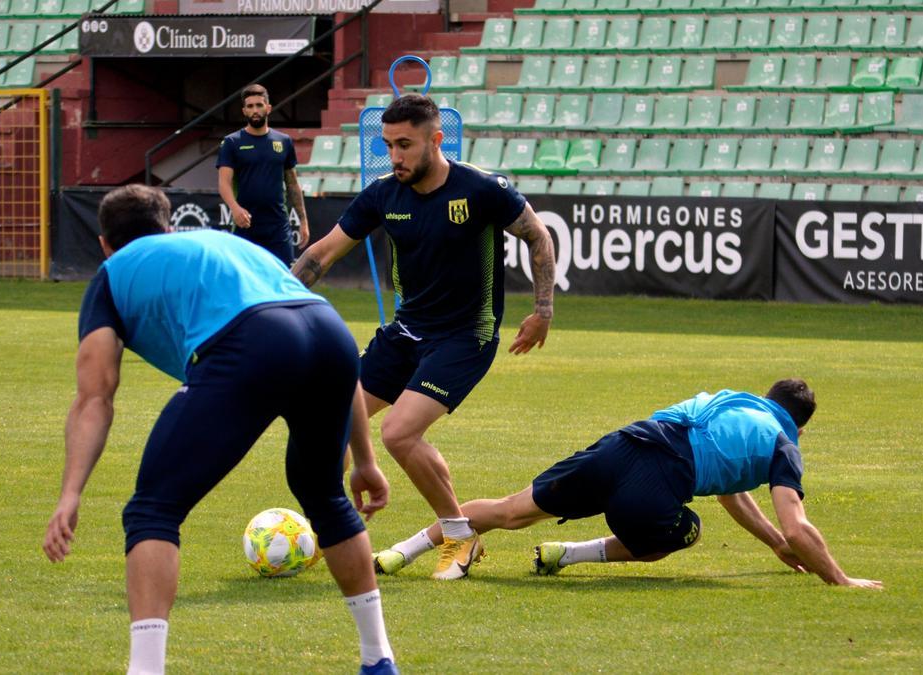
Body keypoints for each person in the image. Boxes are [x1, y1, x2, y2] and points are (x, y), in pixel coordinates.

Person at [42, 185, 400, 675]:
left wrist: (70, 493)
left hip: (252, 342)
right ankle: (378, 659)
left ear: (105, 243)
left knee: (153, 509)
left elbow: (94, 397)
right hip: (329, 331)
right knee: (322, 493)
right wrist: (364, 460)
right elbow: (317, 338)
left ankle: (145, 671)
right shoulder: (231, 246)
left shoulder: (110, 276)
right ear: (168, 228)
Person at [291, 94, 558, 580]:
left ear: (436, 140)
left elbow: (538, 235)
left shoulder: (480, 189)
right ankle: (331, 530)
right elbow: (322, 255)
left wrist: (543, 309)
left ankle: (458, 536)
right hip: (405, 332)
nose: (395, 156)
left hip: (465, 336)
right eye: (388, 145)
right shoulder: (382, 193)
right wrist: (274, 302)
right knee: (331, 415)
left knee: (398, 432)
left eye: (405, 145)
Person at [372, 379, 883, 590]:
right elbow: (798, 527)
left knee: (509, 510)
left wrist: (773, 544)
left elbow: (732, 488)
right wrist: (839, 579)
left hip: (621, 446)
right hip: (656, 482)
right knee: (683, 532)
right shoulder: (783, 445)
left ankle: (402, 550)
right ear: (800, 423)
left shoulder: (734, 401)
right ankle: (568, 554)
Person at [216, 83, 309, 266]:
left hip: (278, 226)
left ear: (268, 108)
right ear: (244, 111)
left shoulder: (284, 141)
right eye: (250, 106)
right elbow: (223, 183)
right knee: (246, 280)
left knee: (283, 279)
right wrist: (235, 208)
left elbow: (292, 184)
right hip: (246, 225)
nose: (255, 110)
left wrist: (303, 220)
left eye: (259, 105)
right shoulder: (231, 143)